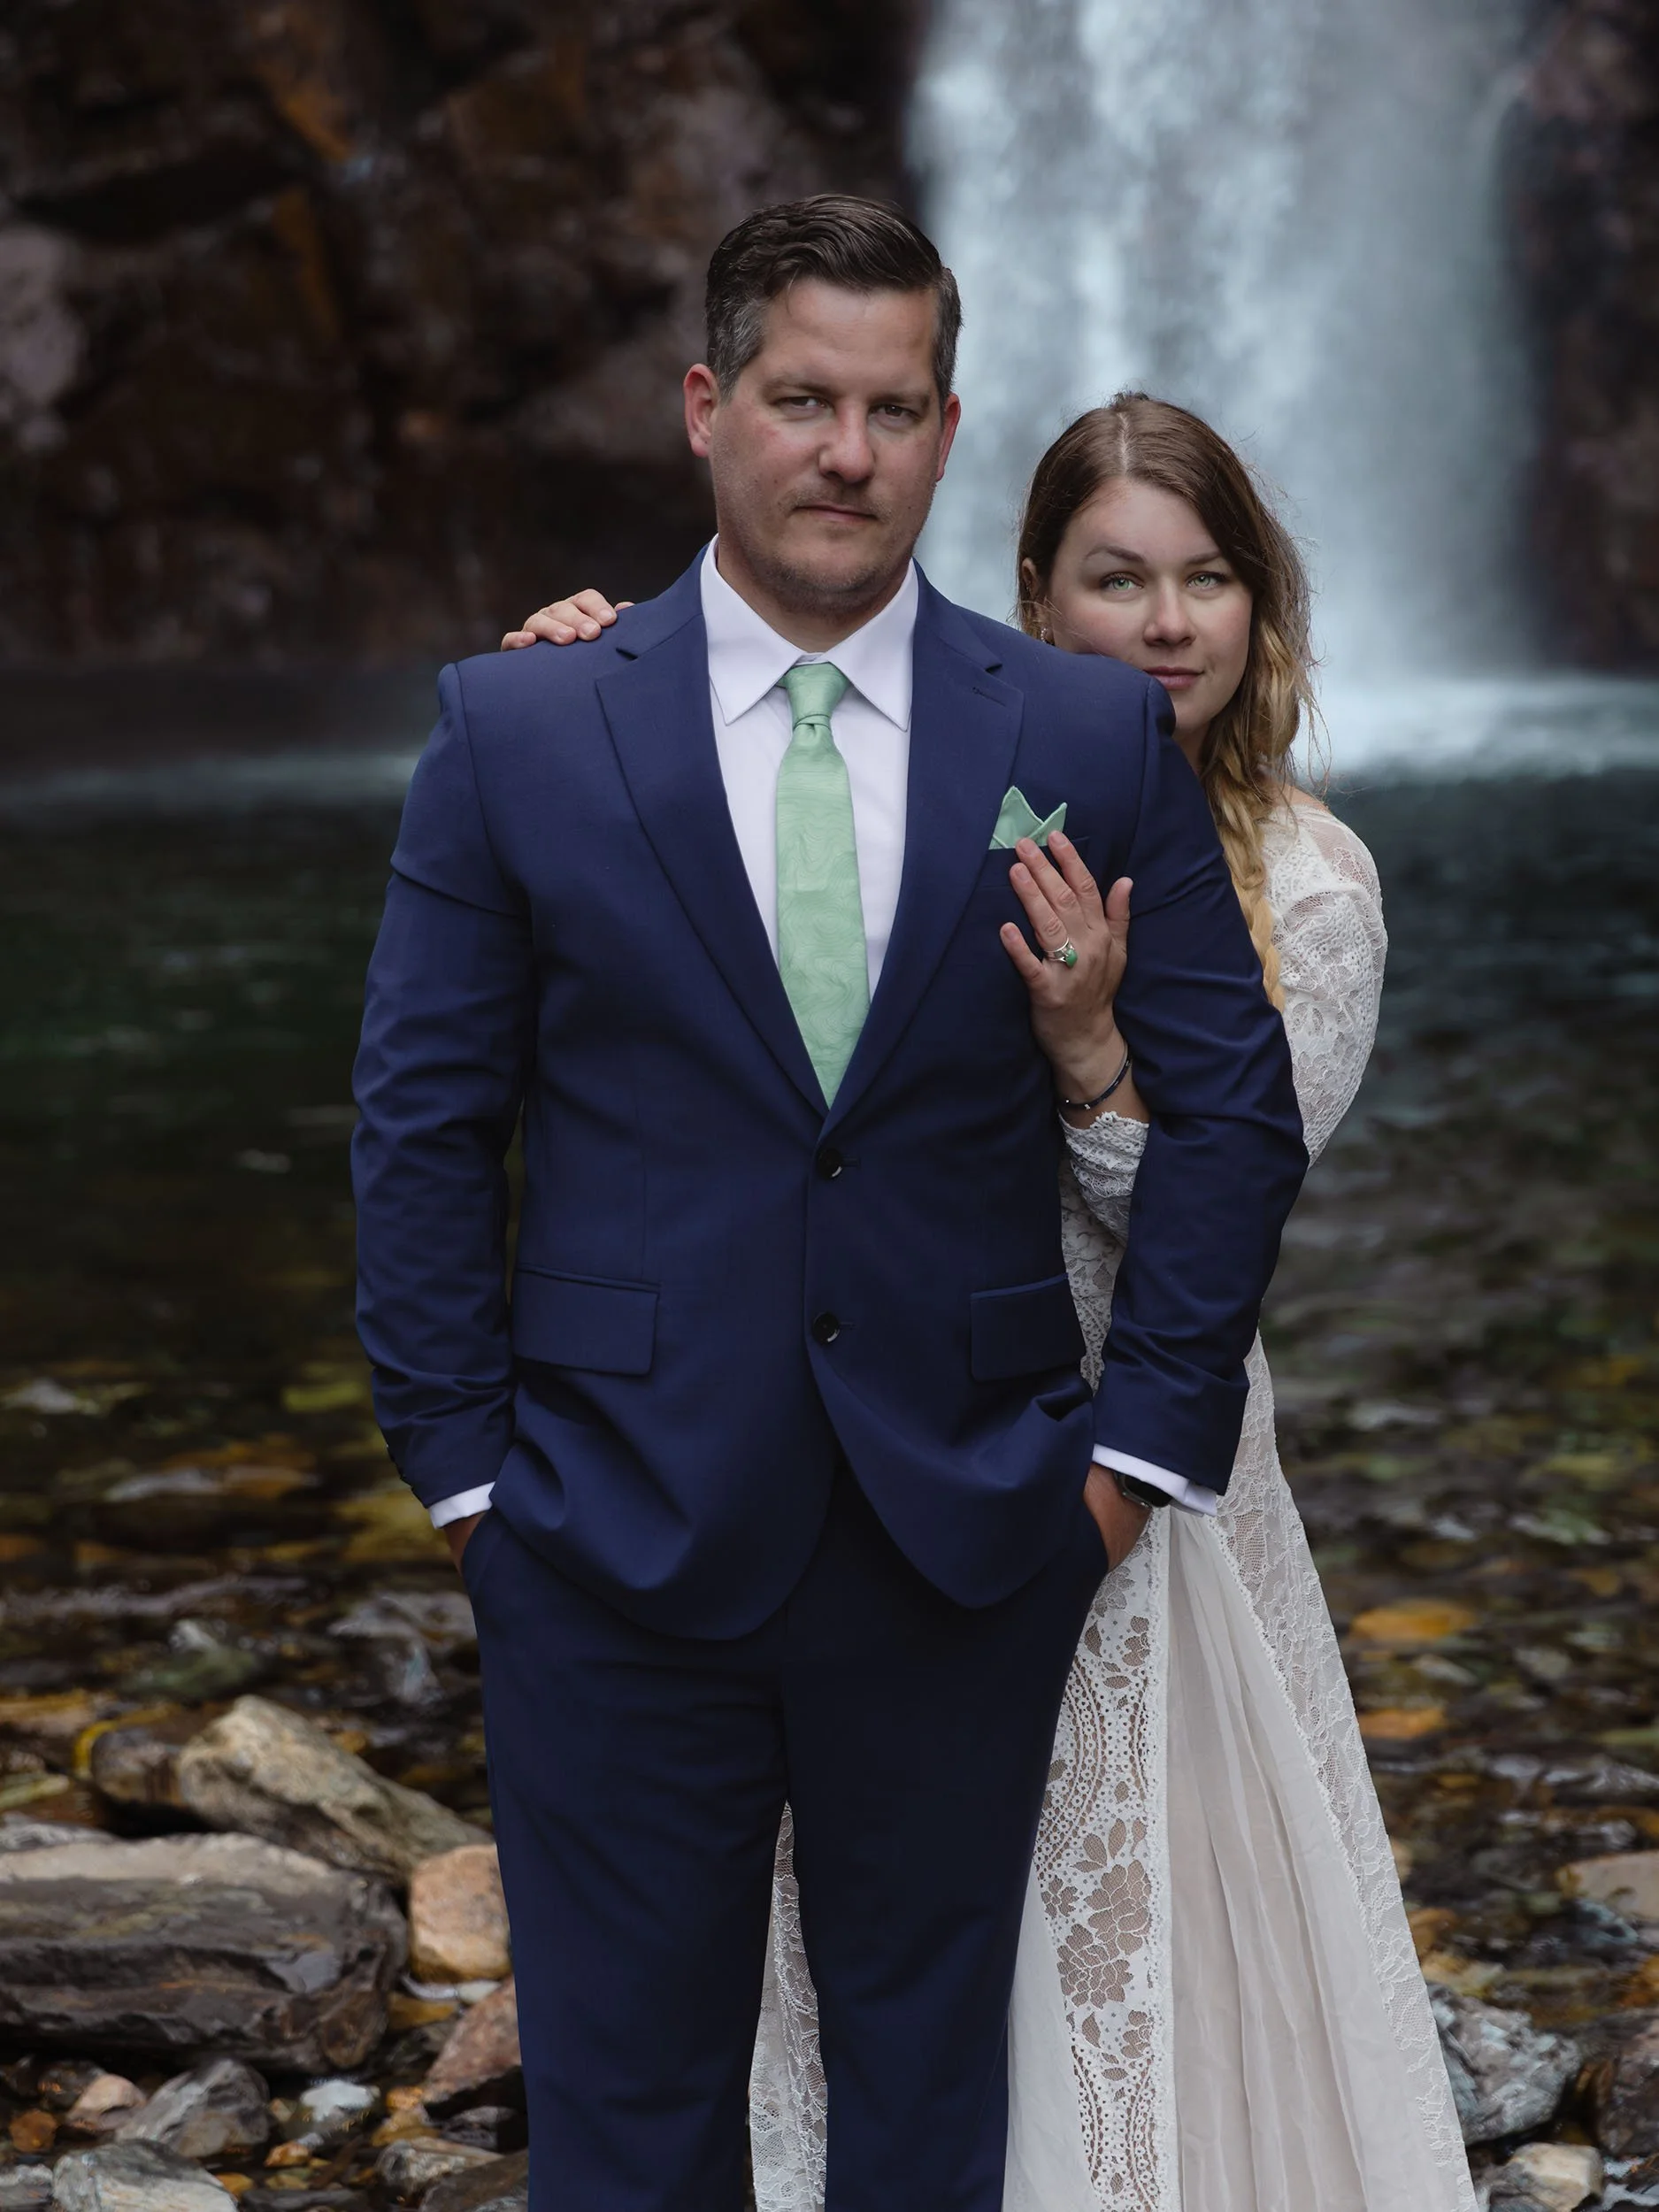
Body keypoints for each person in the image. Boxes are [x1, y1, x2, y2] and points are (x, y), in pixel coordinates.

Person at [354, 193, 1306, 2212]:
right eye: (802, 400)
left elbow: (1233, 1115)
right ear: (708, 407)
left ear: (948, 431)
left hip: (969, 1537)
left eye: (892, 409)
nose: (846, 453)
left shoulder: (1077, 727)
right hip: (601, 1538)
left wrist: (1128, 1463)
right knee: (624, 2129)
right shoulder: (519, 726)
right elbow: (422, 1126)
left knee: (924, 2127)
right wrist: (466, 1484)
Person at [504, 396, 1477, 2211]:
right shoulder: (944, 782)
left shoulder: (1307, 880)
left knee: (1116, 1921)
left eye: (1208, 579)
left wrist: (1091, 1052)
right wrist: (610, 674)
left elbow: (1221, 1213)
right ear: (1037, 599)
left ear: (1262, 608)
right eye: (1118, 579)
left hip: (1117, 1465)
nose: (1166, 623)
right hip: (865, 1454)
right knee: (864, 1944)